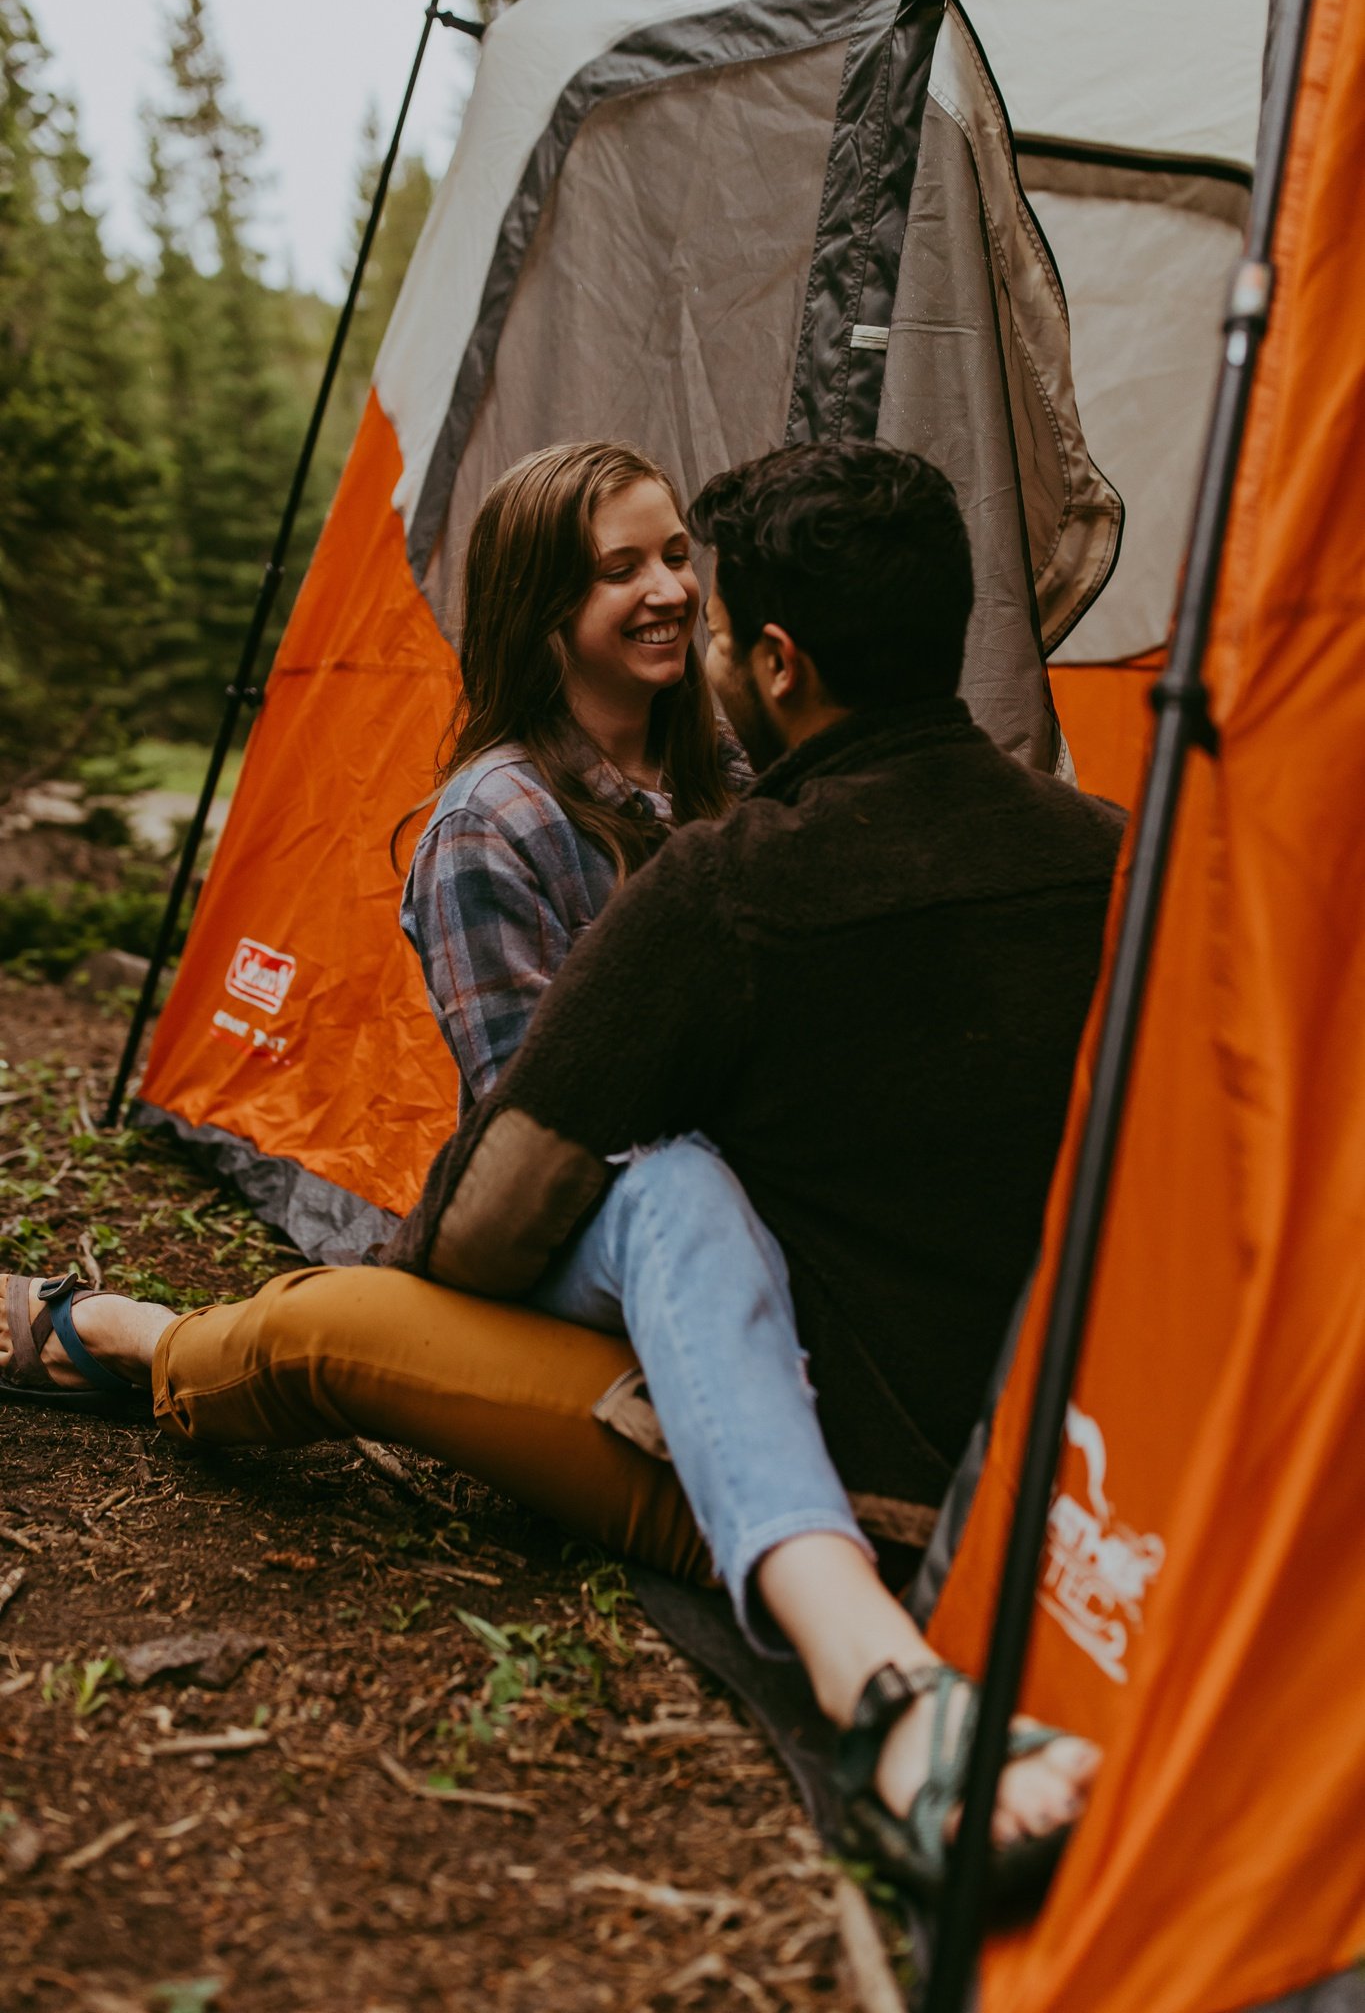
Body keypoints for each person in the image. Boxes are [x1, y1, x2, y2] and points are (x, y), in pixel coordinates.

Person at [1, 443, 1122, 1904]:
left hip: (803, 1361)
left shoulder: (736, 829)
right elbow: (530, 1151)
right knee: (655, 1184)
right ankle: (115, 1334)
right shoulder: (528, 822)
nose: (671, 599)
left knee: (380, 1308)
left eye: (689, 579)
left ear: (775, 662)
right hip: (636, 1246)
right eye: (629, 570)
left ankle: (872, 1683)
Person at [397, 438, 749, 1109]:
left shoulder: (733, 767)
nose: (671, 591)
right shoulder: (492, 824)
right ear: (541, 603)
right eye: (621, 571)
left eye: (676, 557)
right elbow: (532, 1115)